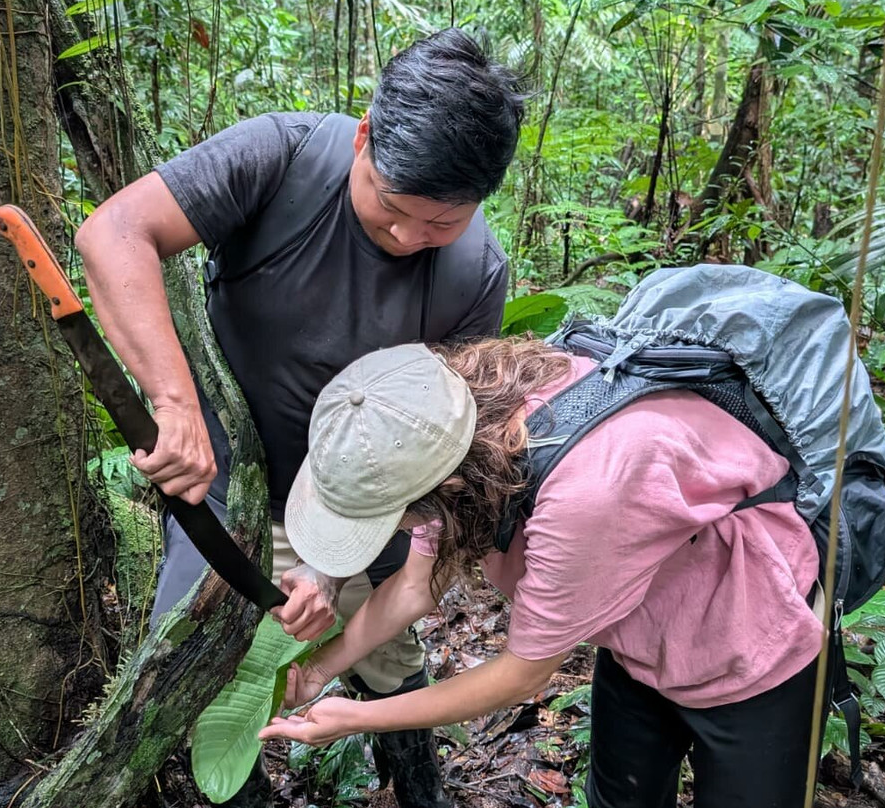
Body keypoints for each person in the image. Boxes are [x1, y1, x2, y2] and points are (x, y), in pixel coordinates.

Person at [75, 28, 525, 808]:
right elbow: (113, 234)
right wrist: (174, 404)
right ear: (363, 139)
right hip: (228, 484)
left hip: (366, 503)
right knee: (201, 661)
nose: (411, 237)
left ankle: (417, 789)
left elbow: (437, 442)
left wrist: (331, 562)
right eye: (393, 208)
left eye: (440, 223)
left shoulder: (474, 272)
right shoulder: (279, 158)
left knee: (388, 657)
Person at [258, 339, 830, 808]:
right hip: (637, 636)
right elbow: (414, 586)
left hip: (747, 648)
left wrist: (362, 716)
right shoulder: (446, 434)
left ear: (440, 488)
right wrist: (319, 670)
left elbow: (521, 676)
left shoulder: (581, 494)